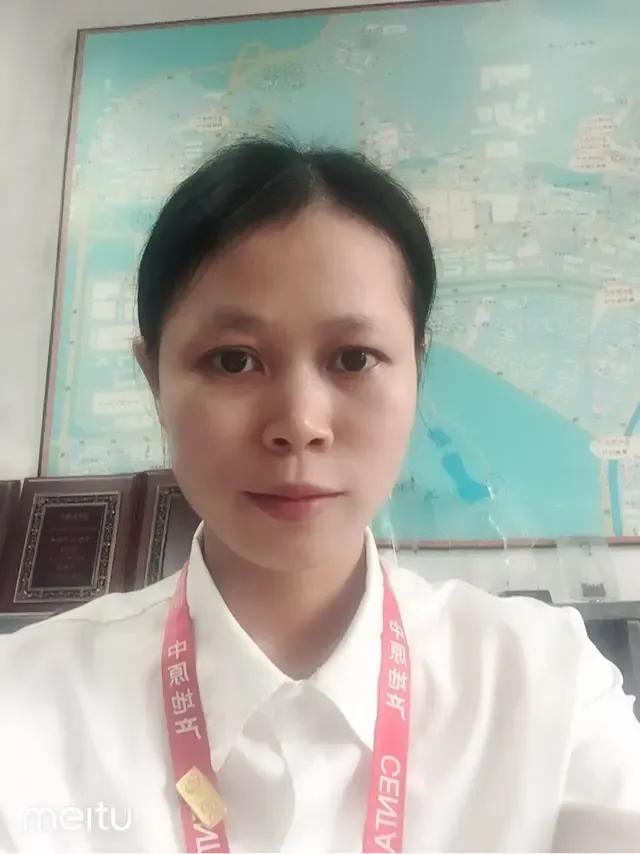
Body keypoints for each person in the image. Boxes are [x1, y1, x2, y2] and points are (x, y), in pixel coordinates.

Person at [1, 137, 639, 854]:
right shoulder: (22, 711)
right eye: (233, 361)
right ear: (154, 380)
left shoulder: (546, 687)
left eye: (353, 359)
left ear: (417, 370)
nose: (300, 423)